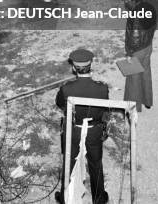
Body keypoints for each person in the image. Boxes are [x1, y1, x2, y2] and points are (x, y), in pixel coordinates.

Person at [55, 49, 109, 204]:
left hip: (74, 129)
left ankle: (66, 197)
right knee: (95, 163)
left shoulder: (66, 89)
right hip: (94, 130)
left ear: (73, 68)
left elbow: (59, 104)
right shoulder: (102, 88)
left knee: (69, 162)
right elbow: (105, 108)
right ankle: (99, 198)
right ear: (91, 65)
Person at [122, 0, 156, 112]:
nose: (125, 3)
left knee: (133, 79)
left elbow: (135, 37)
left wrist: (130, 53)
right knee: (146, 73)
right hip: (148, 46)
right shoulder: (149, 7)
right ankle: (147, 101)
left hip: (137, 50)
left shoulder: (135, 15)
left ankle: (133, 107)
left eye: (126, 0)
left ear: (133, 0)